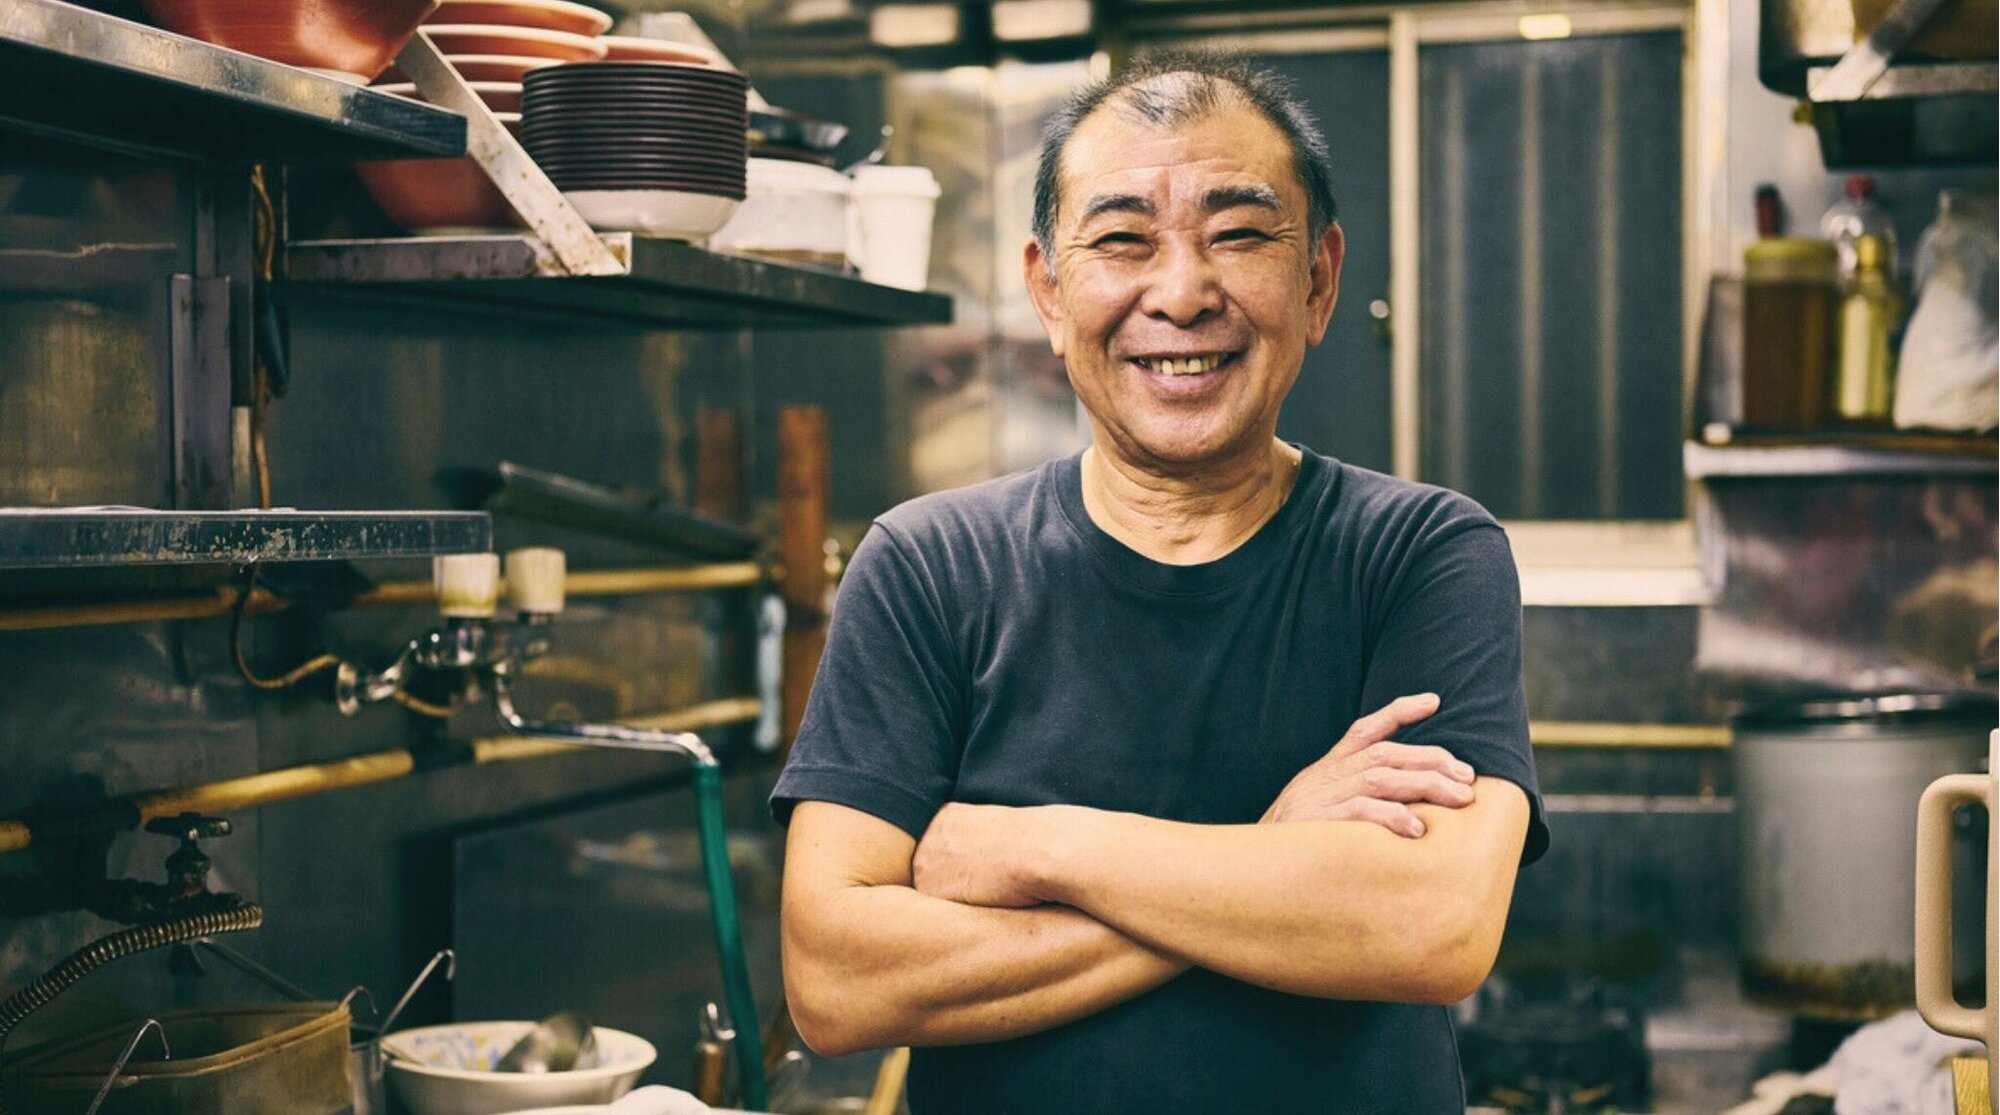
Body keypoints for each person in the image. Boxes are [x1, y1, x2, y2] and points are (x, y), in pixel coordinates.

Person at [770, 52, 1548, 1114]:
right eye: (1122, 240)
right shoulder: (928, 566)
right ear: (1049, 291)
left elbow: (1430, 924)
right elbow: (835, 980)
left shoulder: (1419, 553)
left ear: (1318, 281)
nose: (1181, 295)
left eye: (1239, 234)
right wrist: (1278, 859)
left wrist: (1034, 845)